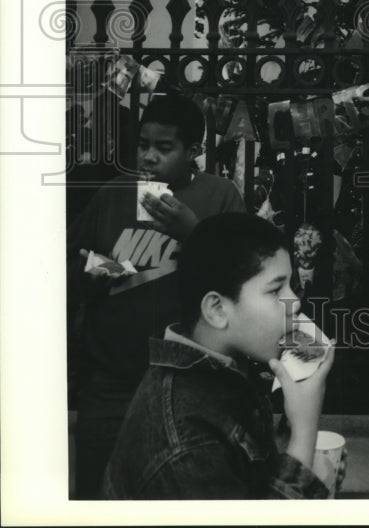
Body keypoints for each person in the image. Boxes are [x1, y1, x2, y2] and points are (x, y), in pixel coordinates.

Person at [67, 93, 246, 498]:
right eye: (144, 144)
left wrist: (194, 233)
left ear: (193, 152)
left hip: (190, 387)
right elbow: (59, 271)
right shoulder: (113, 194)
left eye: (164, 148)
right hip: (110, 386)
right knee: (98, 498)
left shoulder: (220, 197)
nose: (148, 157)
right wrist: (89, 271)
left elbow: (243, 281)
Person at [103, 214, 335, 499]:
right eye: (276, 290)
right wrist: (304, 431)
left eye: (291, 286)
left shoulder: (224, 372)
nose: (295, 302)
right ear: (217, 309)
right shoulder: (186, 444)